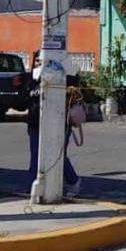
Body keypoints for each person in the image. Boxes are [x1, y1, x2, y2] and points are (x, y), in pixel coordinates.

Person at [25, 51, 82, 198]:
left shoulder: (67, 71)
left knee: (57, 153)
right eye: (37, 59)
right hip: (36, 120)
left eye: (41, 59)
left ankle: (72, 181)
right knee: (36, 154)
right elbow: (27, 95)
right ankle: (34, 186)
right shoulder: (35, 75)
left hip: (60, 120)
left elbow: (74, 93)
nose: (39, 62)